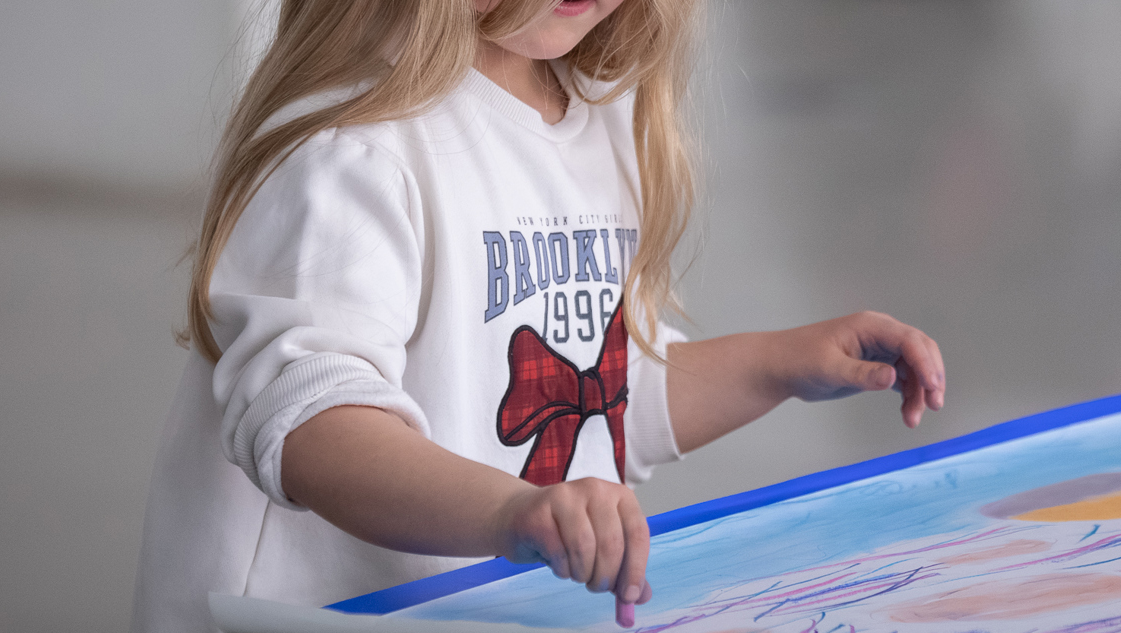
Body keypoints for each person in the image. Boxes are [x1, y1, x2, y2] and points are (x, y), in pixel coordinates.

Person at [132, 0, 946, 631]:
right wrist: (507, 511)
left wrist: (778, 363)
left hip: (481, 603)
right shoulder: (357, 146)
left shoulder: (594, 111)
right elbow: (314, 427)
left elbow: (606, 392)